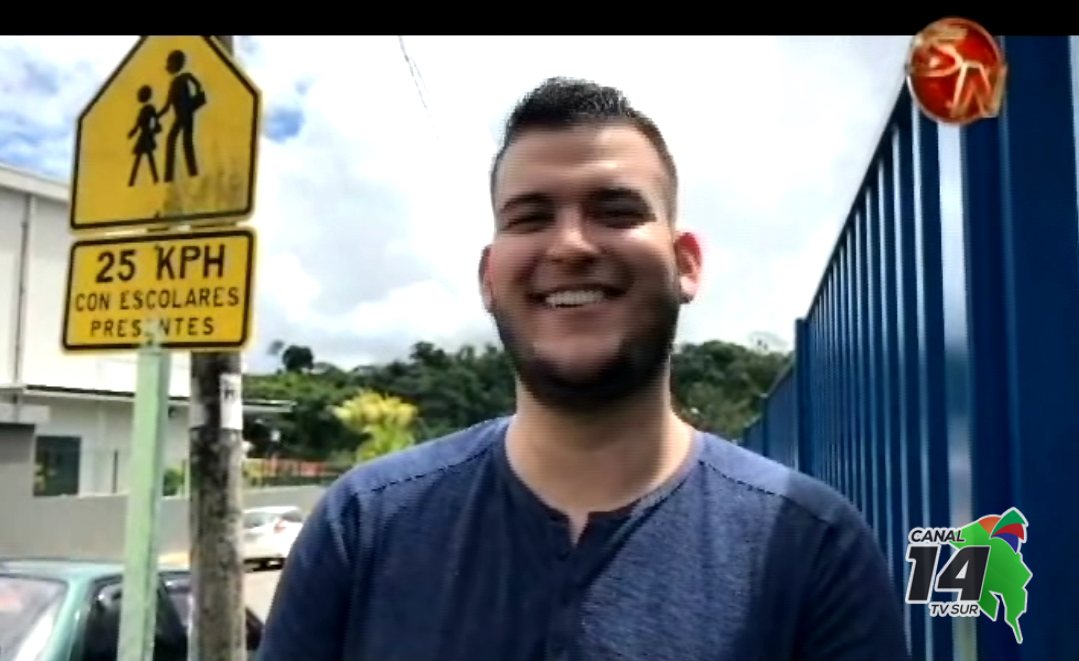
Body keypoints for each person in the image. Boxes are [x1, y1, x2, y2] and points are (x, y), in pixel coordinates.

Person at [258, 77, 911, 661]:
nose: (570, 245)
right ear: (488, 277)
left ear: (686, 263)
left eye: (616, 211)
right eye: (530, 217)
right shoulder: (363, 526)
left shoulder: (810, 547)